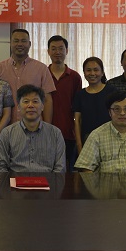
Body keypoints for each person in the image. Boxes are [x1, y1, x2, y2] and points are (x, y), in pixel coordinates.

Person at [0, 84, 65, 173]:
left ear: (42, 106)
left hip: (47, 180)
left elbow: (60, 167)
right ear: (18, 107)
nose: (30, 105)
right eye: (26, 101)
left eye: (35, 101)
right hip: (16, 180)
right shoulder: (7, 133)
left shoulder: (55, 133)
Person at [0, 29, 56, 124]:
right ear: (10, 43)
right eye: (16, 41)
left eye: (23, 41)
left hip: (34, 126)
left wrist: (47, 127)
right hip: (6, 127)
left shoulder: (41, 68)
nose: (20, 44)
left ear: (29, 44)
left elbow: (47, 100)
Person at [47, 35, 82, 172]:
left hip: (68, 132)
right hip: (45, 132)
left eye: (61, 48)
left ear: (66, 51)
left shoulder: (74, 77)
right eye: (53, 49)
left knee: (67, 171)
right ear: (48, 51)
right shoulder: (42, 74)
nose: (57, 52)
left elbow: (77, 108)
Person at [73, 57, 117, 153]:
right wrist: (79, 145)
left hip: (110, 138)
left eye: (96, 70)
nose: (92, 73)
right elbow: (77, 121)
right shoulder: (80, 94)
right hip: (87, 139)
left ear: (102, 72)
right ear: (84, 73)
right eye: (88, 70)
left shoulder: (112, 91)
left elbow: (117, 115)